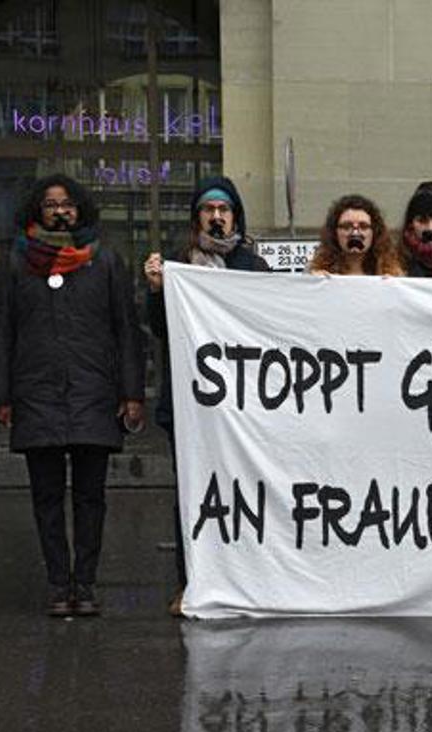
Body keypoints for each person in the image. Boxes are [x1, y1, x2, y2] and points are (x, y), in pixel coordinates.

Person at [0, 173, 145, 617]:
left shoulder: (107, 261)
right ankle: (59, 584)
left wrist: (131, 393)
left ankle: (87, 583)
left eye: (68, 204)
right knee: (46, 497)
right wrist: (1, 395)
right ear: (36, 212)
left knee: (90, 498)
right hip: (36, 395)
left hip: (94, 395)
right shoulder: (16, 263)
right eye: (50, 204)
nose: (60, 211)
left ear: (81, 210)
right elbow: (2, 331)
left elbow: (125, 332)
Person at [144, 176, 269, 615]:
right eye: (208, 210)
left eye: (224, 209)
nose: (216, 217)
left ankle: (247, 581)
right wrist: (159, 292)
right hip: (190, 408)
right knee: (194, 497)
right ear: (197, 217)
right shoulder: (181, 266)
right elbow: (160, 332)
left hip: (243, 410)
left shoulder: (253, 269)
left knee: (246, 497)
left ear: (236, 216)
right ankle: (192, 582)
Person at [309, 194, 404, 277]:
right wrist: (313, 283)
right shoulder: (315, 270)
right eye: (346, 227)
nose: (355, 233)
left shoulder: (392, 274)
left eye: (363, 226)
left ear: (374, 232)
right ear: (334, 233)